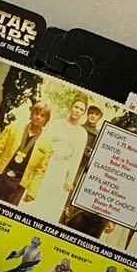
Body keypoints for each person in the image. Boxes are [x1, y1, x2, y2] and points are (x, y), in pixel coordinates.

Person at [27, 93, 89, 223]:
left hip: (62, 173)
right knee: (35, 202)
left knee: (51, 208)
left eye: (81, 109)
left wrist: (70, 179)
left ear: (84, 113)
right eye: (76, 107)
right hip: (46, 167)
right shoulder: (56, 124)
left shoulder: (82, 134)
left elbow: (77, 158)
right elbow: (43, 146)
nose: (77, 111)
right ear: (71, 107)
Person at [0, 102, 53, 206]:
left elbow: (40, 171)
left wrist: (32, 192)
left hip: (18, 184)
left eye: (42, 115)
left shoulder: (47, 143)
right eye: (36, 113)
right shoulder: (14, 127)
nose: (38, 117)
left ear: (46, 120)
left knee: (5, 212)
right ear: (31, 114)